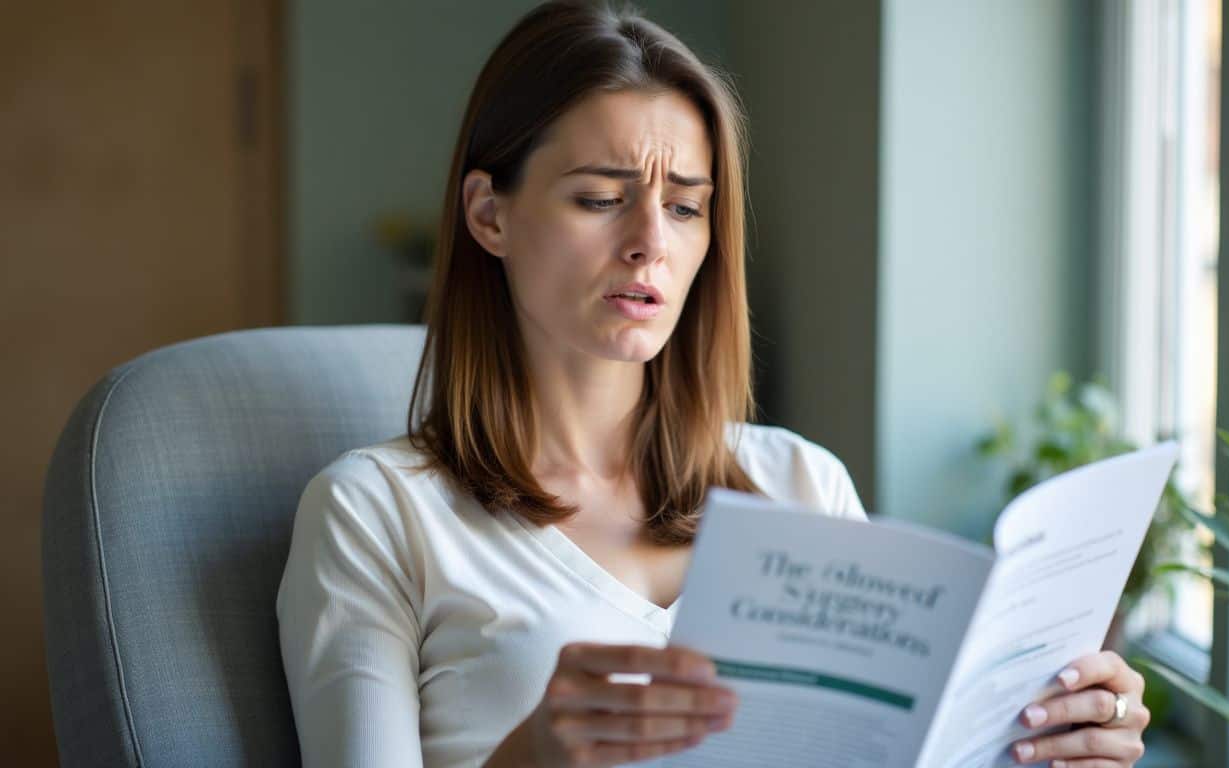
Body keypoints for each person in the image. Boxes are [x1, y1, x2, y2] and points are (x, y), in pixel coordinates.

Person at [275, 2, 1151, 766]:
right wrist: (530, 758)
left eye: (686, 206)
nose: (650, 240)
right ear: (488, 214)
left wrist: (1050, 741)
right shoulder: (375, 514)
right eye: (597, 197)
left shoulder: (800, 484)